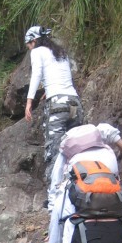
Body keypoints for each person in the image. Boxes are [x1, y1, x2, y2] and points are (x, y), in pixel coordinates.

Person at [24, 26, 83, 183]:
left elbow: (37, 75)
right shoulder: (60, 52)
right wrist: (48, 89)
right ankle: (78, 185)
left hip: (58, 106)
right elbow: (62, 76)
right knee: (75, 147)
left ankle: (55, 190)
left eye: (28, 44)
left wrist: (29, 101)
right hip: (74, 104)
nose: (29, 48)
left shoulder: (37, 52)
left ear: (34, 41)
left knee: (55, 150)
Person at [47, 122, 122, 212]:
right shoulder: (100, 131)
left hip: (83, 196)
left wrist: (52, 206)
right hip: (111, 193)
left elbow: (56, 176)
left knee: (60, 206)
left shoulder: (67, 148)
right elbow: (110, 132)